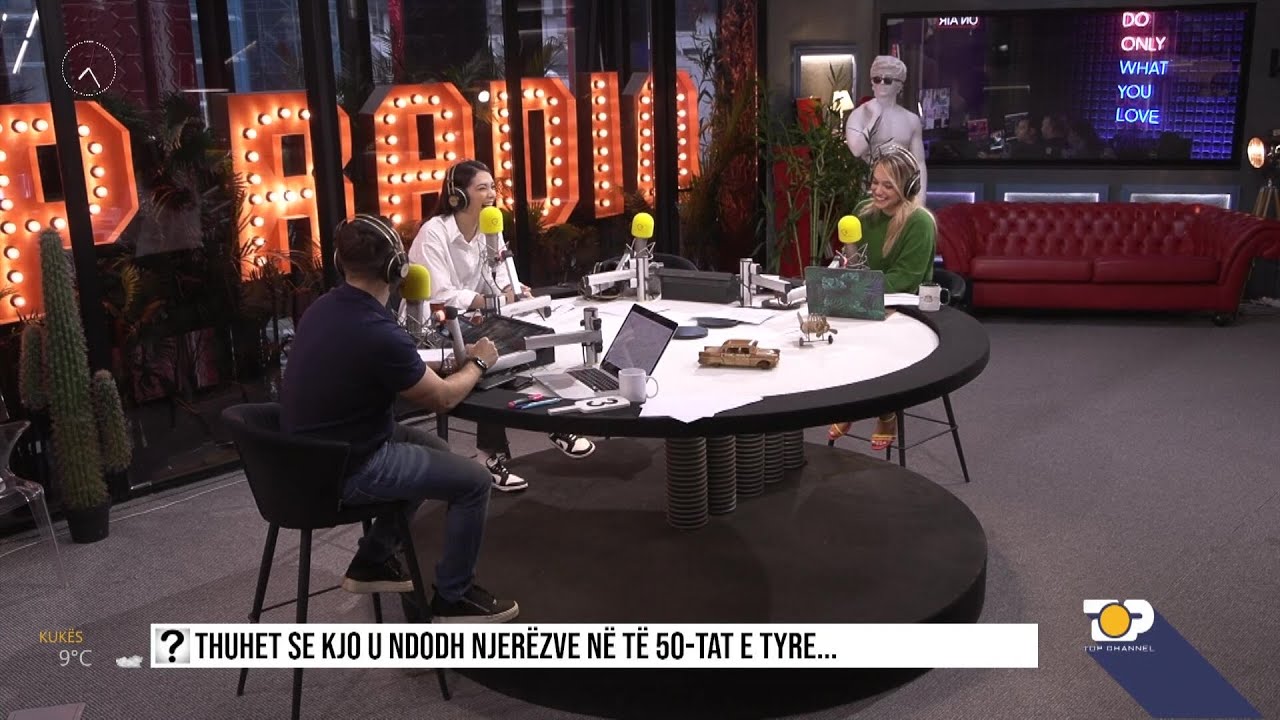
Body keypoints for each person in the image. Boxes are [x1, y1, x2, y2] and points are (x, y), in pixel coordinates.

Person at [281, 213, 518, 623]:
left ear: (340, 263)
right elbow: (442, 399)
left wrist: (444, 366)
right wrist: (479, 362)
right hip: (350, 466)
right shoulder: (377, 330)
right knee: (475, 482)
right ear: (398, 269)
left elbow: (387, 368)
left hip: (307, 458)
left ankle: (372, 559)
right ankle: (454, 597)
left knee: (436, 449)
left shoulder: (323, 308)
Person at [409, 159, 596, 492]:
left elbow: (498, 276)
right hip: (433, 327)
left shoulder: (489, 228)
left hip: (478, 319)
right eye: (482, 188)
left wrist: (514, 289)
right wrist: (490, 301)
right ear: (457, 197)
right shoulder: (433, 233)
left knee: (538, 341)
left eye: (492, 187)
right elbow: (439, 295)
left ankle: (546, 422)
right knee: (498, 354)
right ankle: (496, 452)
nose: (491, 194)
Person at [828, 144, 936, 450]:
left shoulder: (920, 222)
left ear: (907, 187)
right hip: (868, 296)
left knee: (869, 336)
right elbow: (855, 261)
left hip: (905, 305)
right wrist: (843, 272)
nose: (877, 190)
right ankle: (850, 402)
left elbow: (905, 279)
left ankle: (885, 412)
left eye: (887, 185)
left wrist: (856, 291)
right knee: (831, 329)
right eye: (874, 182)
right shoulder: (864, 211)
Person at [844, 55, 928, 203]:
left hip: (901, 190)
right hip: (869, 191)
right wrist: (875, 117)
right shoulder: (858, 115)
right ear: (872, 83)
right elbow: (856, 150)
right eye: (877, 79)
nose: (882, 83)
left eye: (888, 80)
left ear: (899, 85)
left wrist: (920, 199)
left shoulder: (911, 119)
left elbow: (919, 162)